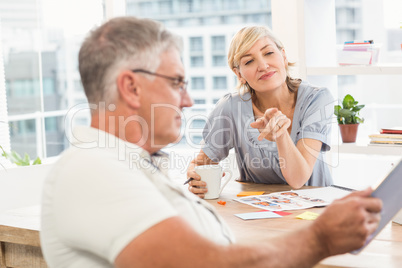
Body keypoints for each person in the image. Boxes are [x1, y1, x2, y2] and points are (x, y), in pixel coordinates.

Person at [40, 17, 382, 268]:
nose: (187, 101)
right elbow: (210, 263)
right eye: (177, 82)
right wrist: (319, 238)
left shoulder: (128, 168)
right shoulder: (95, 172)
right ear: (131, 88)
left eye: (268, 54)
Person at [187, 25, 333, 198]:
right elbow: (201, 163)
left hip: (315, 208)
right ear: (239, 74)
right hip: (258, 213)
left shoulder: (316, 99)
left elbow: (298, 179)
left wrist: (281, 135)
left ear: (283, 56)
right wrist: (194, 177)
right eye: (249, 61)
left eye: (269, 53)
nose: (263, 66)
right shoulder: (231, 107)